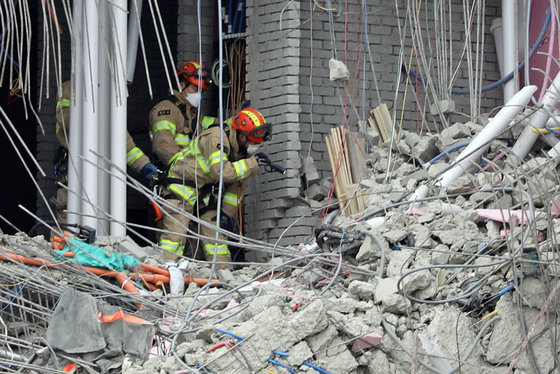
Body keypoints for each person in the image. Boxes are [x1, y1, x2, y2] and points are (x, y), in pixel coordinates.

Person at [156, 107, 272, 268]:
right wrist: (251, 164)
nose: (256, 146)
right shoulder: (216, 137)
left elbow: (236, 186)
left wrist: (225, 214)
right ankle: (165, 274)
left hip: (204, 194)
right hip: (181, 188)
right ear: (242, 136)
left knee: (216, 239)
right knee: (175, 237)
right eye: (254, 141)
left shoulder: (241, 151)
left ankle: (224, 279)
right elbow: (221, 172)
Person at [51, 81, 158, 238]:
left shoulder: (109, 98)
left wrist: (144, 165)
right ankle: (61, 254)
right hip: (74, 167)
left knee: (102, 216)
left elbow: (125, 144)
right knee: (69, 213)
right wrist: (90, 103)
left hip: (102, 174)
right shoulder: (70, 88)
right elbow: (66, 120)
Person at [149, 60, 215, 169]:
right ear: (182, 85)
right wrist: (190, 168)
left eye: (201, 91)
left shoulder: (192, 114)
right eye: (195, 89)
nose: (198, 95)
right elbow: (163, 147)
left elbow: (215, 124)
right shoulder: (166, 109)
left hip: (189, 179)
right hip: (172, 178)